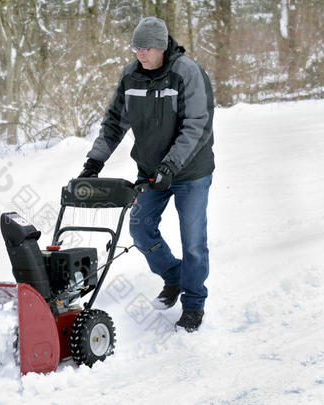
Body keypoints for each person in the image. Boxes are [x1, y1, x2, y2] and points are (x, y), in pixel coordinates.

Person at [78, 17, 214, 332]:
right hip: (152, 172)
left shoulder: (187, 74)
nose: (140, 54)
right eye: (136, 47)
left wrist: (171, 166)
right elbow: (114, 122)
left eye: (147, 48)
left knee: (193, 241)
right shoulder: (131, 76)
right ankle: (173, 277)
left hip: (190, 171)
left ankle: (193, 305)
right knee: (140, 229)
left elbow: (197, 126)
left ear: (162, 47)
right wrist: (94, 162)